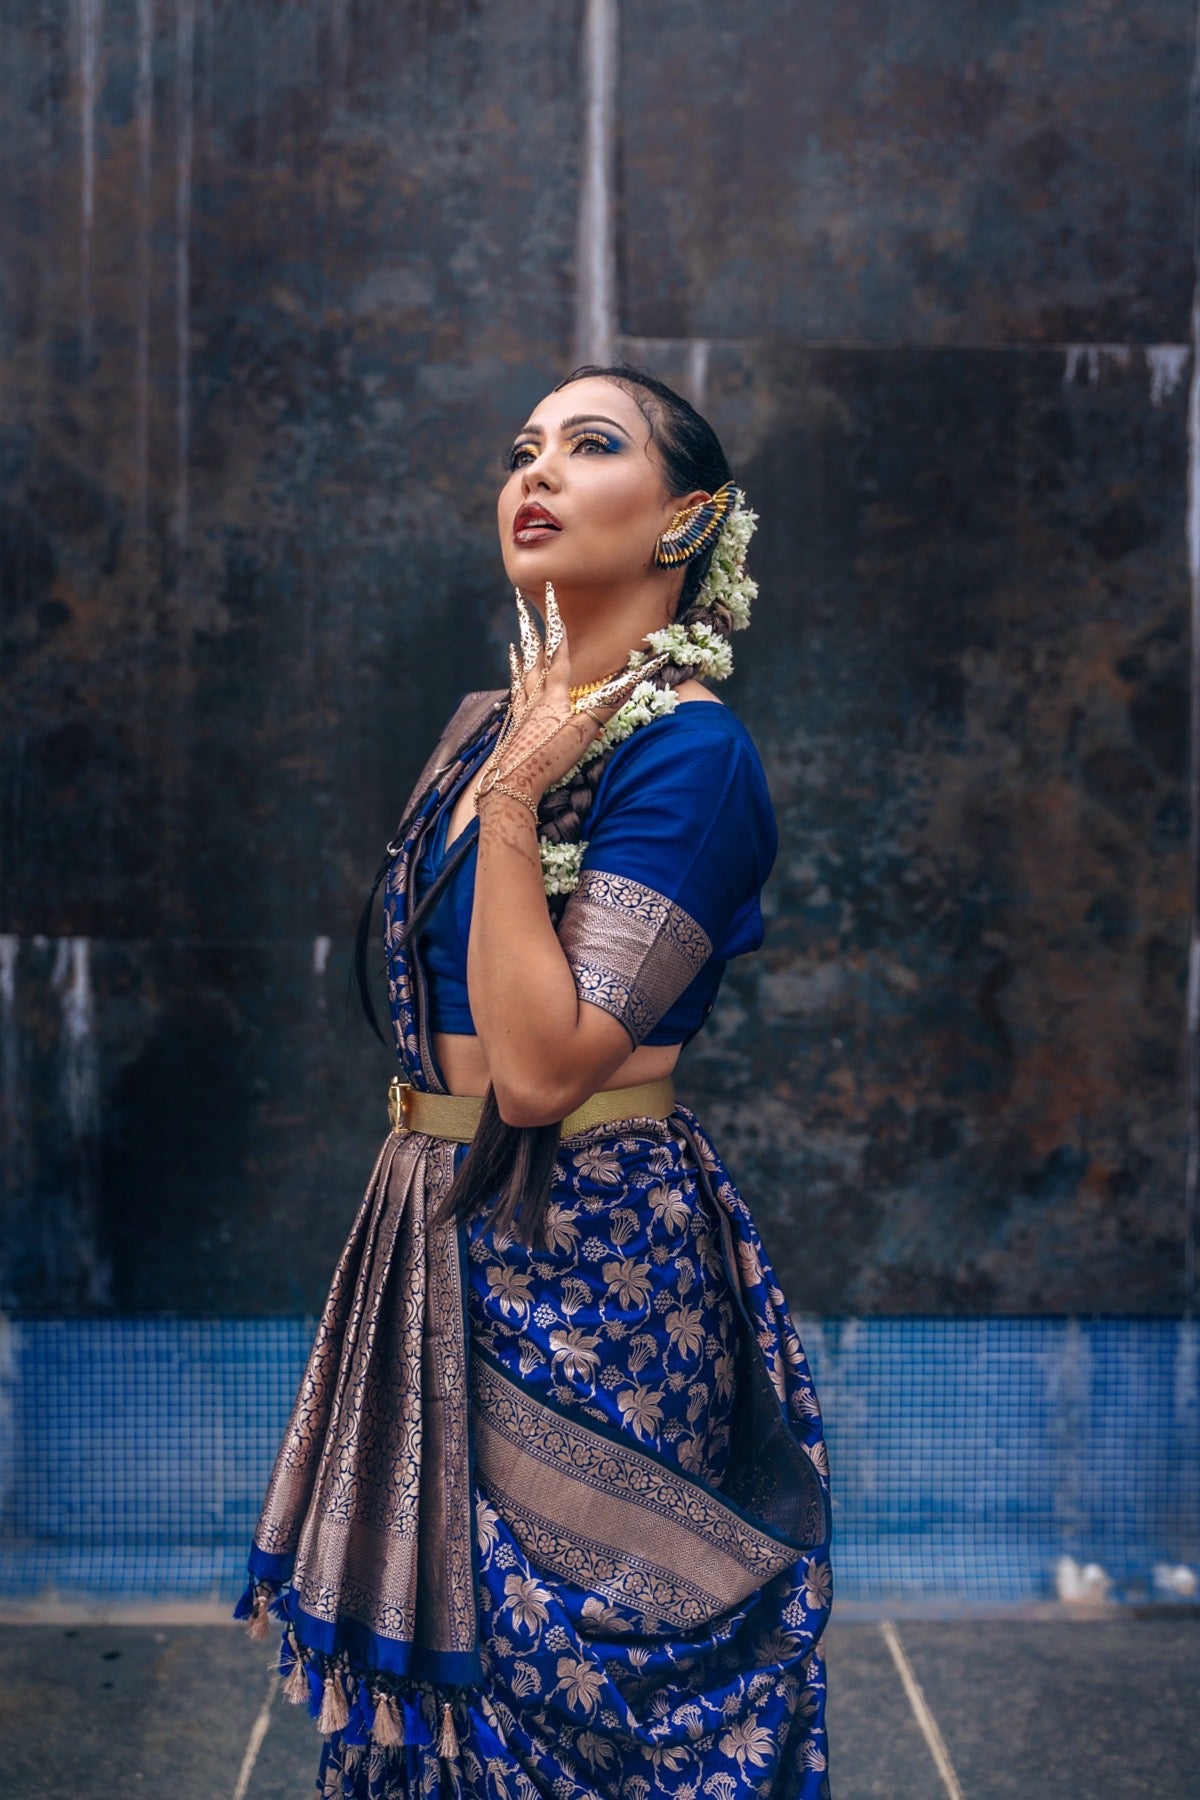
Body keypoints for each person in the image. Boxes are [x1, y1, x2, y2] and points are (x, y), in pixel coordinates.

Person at [235, 364, 834, 1800]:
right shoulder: (483, 728)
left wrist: (517, 795)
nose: (537, 473)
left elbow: (546, 1070)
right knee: (437, 1698)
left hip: (590, 1255)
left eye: (591, 444)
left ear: (687, 519)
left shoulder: (692, 754)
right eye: (524, 449)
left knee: (573, 1675)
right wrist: (508, 759)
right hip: (433, 1218)